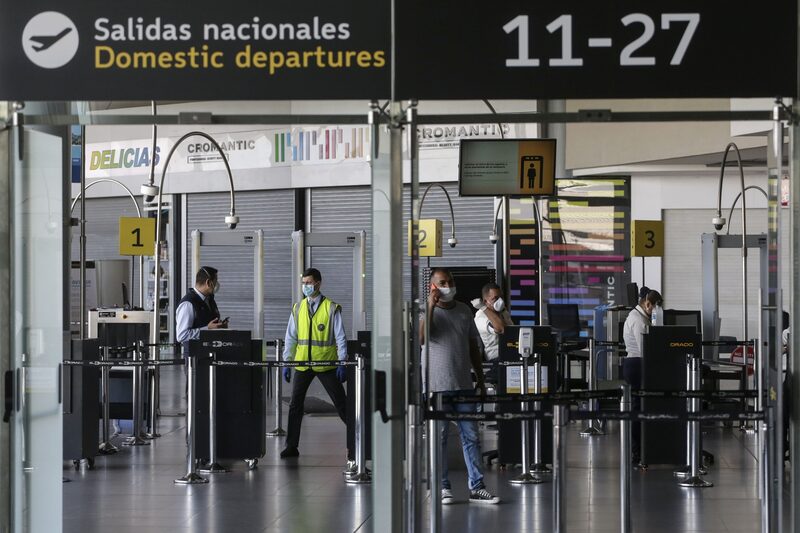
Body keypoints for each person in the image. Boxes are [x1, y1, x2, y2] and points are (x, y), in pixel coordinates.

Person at [421, 267, 500, 505]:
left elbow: (472, 346)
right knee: (439, 437)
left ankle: (477, 487)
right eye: (442, 282)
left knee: (472, 436)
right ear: (433, 286)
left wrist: (480, 378)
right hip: (437, 385)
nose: (448, 286)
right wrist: (430, 305)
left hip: (464, 383)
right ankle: (441, 486)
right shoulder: (426, 310)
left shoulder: (465, 310)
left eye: (450, 281)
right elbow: (422, 338)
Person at [281, 268, 348, 460]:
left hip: (326, 363)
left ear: (318, 283)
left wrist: (342, 361)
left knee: (342, 404)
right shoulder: (298, 308)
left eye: (309, 283)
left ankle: (358, 439)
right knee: (295, 405)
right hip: (303, 364)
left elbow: (340, 337)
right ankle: (291, 446)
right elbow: (291, 337)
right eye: (304, 283)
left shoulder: (331, 308)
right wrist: (287, 361)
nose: (306, 286)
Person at [622, 286, 663, 467]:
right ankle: (636, 453)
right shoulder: (638, 321)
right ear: (647, 304)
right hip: (637, 366)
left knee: (640, 407)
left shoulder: (639, 317)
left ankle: (641, 450)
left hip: (636, 365)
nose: (655, 311)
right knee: (638, 409)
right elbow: (645, 349)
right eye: (654, 307)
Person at [176, 266, 228, 355]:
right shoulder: (188, 303)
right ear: (208, 282)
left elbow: (209, 322)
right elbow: (182, 335)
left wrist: (219, 326)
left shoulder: (210, 299)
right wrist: (207, 329)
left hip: (212, 354)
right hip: (196, 358)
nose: (217, 285)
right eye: (215, 282)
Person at [472, 282, 513, 381]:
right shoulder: (481, 317)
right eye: (495, 298)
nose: (500, 301)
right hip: (496, 359)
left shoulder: (503, 312)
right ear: (485, 302)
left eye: (501, 297)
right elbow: (500, 329)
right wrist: (483, 308)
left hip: (511, 352)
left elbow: (512, 331)